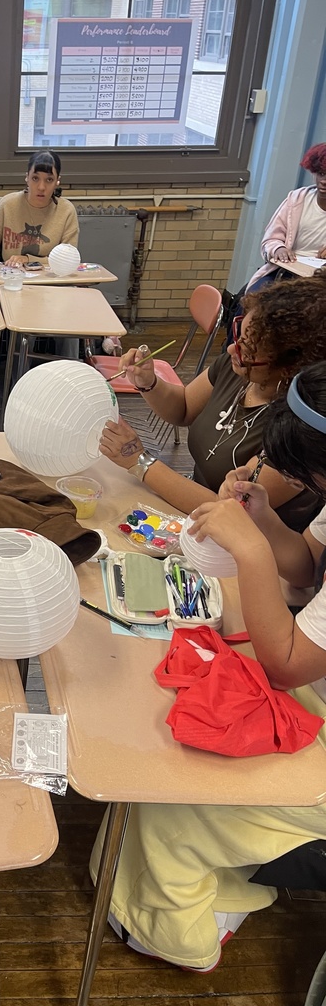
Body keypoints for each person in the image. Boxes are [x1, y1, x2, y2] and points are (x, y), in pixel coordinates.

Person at [91, 360, 326, 974]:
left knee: (177, 785)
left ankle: (175, 929)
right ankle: (152, 895)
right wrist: (266, 522)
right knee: (164, 724)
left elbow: (288, 664)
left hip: (306, 689)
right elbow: (305, 570)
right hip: (309, 675)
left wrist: (247, 548)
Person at [99, 273, 326, 531]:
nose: (232, 350)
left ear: (291, 367)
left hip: (239, 539)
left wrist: (139, 461)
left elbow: (228, 510)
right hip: (189, 513)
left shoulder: (298, 429)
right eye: (238, 338)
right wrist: (148, 382)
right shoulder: (237, 370)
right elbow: (183, 408)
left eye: (248, 351)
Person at [0, 150, 79, 269]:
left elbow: (68, 259)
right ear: (27, 177)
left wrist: (28, 259)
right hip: (10, 280)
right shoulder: (7, 204)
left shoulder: (66, 211)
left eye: (49, 180)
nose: (41, 187)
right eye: (35, 178)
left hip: (50, 281)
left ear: (57, 181)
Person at [245, 142, 326, 294]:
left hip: (320, 279)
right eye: (321, 173)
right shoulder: (296, 199)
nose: (323, 181)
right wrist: (278, 248)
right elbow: (269, 240)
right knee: (253, 298)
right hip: (287, 270)